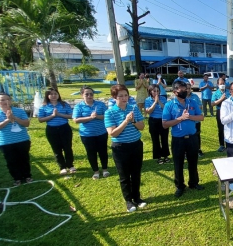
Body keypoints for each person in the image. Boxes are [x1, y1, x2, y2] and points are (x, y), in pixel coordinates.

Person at [104, 84, 146, 212]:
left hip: (136, 145)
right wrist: (126, 121)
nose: (124, 98)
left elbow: (142, 127)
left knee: (136, 173)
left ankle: (137, 197)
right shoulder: (109, 112)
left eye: (126, 95)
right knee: (124, 175)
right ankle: (129, 201)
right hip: (120, 147)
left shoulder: (133, 109)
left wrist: (133, 121)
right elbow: (112, 133)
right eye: (120, 96)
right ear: (114, 97)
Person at [162, 81, 205, 198]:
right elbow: (165, 124)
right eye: (182, 90)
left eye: (186, 89)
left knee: (193, 161)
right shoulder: (169, 105)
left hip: (192, 138)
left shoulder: (192, 102)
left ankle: (194, 183)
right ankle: (180, 186)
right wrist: (180, 118)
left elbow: (201, 117)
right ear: (175, 92)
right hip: (178, 140)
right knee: (178, 163)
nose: (185, 91)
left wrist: (189, 117)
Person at [0, 92, 32, 186]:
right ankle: (17, 178)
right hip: (5, 142)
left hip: (22, 140)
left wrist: (14, 117)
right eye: (2, 100)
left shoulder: (19, 111)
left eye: (7, 99)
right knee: (11, 161)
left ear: (11, 101)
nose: (5, 101)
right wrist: (8, 119)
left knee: (24, 159)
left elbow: (26, 123)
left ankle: (27, 176)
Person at [73, 86, 110, 180]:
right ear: (82, 95)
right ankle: (96, 171)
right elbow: (76, 120)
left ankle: (105, 169)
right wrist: (90, 117)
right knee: (91, 153)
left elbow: (107, 116)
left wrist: (97, 116)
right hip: (87, 134)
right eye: (87, 94)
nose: (89, 96)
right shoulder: (79, 106)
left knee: (103, 152)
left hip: (101, 132)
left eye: (91, 94)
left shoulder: (100, 104)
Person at [38, 88, 75, 175]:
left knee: (67, 148)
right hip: (52, 130)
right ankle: (62, 167)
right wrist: (52, 115)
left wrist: (59, 114)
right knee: (57, 149)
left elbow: (71, 116)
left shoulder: (64, 104)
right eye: (51, 94)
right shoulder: (44, 106)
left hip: (64, 128)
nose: (54, 95)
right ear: (48, 96)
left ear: (58, 95)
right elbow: (40, 119)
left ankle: (70, 165)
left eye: (55, 93)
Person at [144, 84, 170, 164]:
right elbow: (148, 111)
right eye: (154, 91)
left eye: (158, 91)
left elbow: (165, 108)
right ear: (150, 92)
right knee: (155, 140)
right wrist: (155, 102)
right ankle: (158, 157)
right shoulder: (147, 100)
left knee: (164, 139)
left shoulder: (163, 98)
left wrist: (158, 101)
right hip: (153, 121)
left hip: (163, 121)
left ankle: (166, 156)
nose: (156, 92)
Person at [211, 77, 230, 152]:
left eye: (223, 83)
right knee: (221, 129)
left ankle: (229, 144)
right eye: (220, 84)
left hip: (228, 111)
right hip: (220, 111)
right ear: (217, 84)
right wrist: (221, 99)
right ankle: (222, 145)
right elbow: (212, 103)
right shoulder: (215, 93)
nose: (222, 85)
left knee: (228, 128)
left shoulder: (229, 92)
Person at [187, 83, 204, 157]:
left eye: (189, 88)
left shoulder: (195, 96)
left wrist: (193, 107)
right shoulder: (182, 97)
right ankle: (186, 151)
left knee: (197, 135)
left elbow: (200, 106)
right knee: (187, 136)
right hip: (187, 121)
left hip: (196, 120)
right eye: (186, 88)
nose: (188, 90)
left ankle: (198, 150)